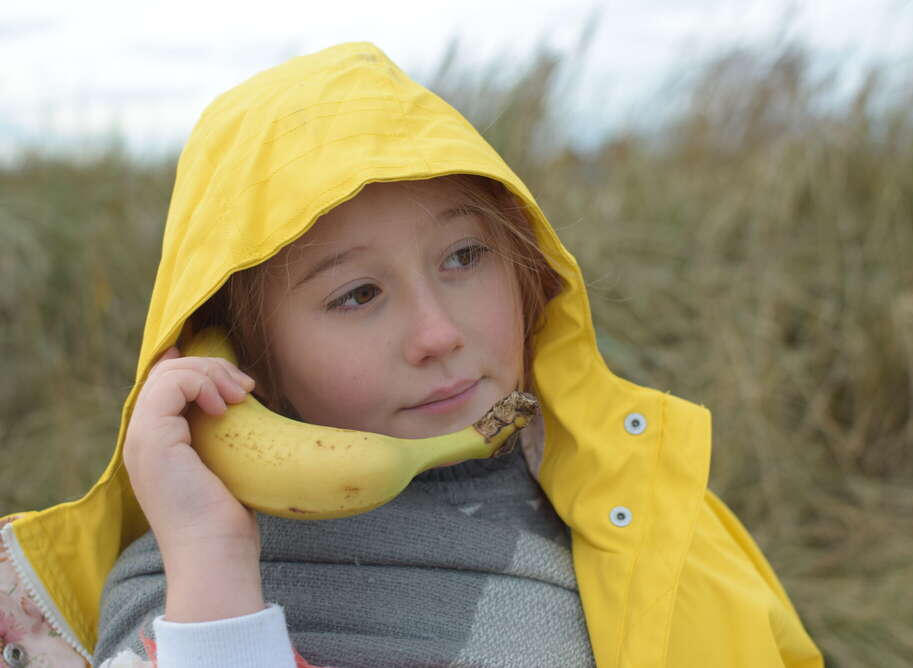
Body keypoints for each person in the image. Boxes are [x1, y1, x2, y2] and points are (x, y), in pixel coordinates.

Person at [0, 43, 824, 667]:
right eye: (357, 295)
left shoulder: (635, 493)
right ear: (242, 355)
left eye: (464, 258)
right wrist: (213, 571)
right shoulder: (178, 596)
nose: (438, 333)